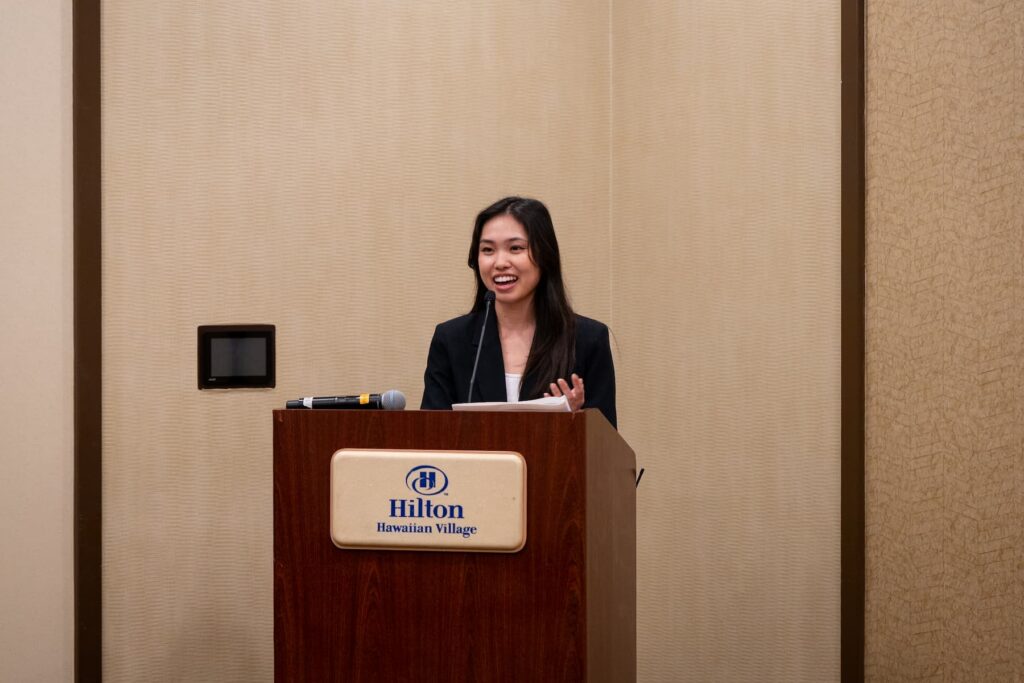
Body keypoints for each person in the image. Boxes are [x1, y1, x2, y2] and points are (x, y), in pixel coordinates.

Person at [421, 196, 617, 428]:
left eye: (516, 248)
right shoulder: (451, 340)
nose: (500, 262)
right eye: (487, 250)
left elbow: (607, 452)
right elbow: (430, 437)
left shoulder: (587, 340)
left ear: (544, 255)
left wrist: (576, 423)